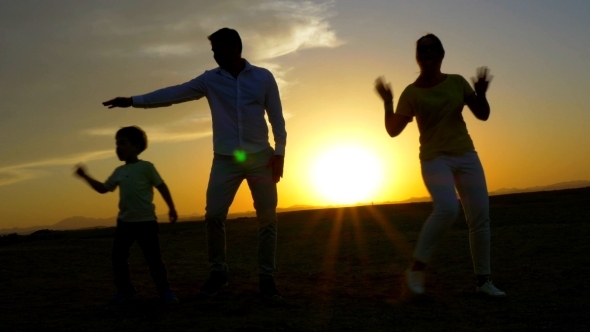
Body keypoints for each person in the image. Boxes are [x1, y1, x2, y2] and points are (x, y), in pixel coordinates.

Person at [102, 28, 286, 299]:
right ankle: (218, 273)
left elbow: (277, 118)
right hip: (226, 160)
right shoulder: (210, 80)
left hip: (261, 158)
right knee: (213, 215)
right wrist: (133, 101)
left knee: (267, 220)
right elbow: (175, 93)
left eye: (220, 49)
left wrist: (280, 154)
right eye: (213, 51)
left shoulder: (263, 77)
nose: (215, 55)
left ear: (236, 47)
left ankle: (267, 279)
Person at [374, 34, 505, 297]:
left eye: (433, 49)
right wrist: (388, 102)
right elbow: (392, 130)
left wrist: (480, 93)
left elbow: (483, 114)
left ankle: (483, 281)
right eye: (423, 51)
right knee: (447, 208)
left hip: (466, 155)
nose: (428, 54)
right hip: (435, 159)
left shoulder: (456, 83)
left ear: (441, 54)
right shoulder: (411, 93)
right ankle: (416, 269)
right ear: (418, 57)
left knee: (480, 218)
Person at [74, 126, 179, 304]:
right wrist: (85, 176)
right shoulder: (119, 172)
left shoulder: (146, 167)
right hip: (125, 223)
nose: (118, 148)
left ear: (136, 147)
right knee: (118, 258)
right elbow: (103, 189)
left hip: (146, 221)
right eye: (117, 144)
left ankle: (165, 291)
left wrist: (171, 208)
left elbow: (161, 186)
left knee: (153, 259)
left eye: (122, 143)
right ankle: (125, 289)